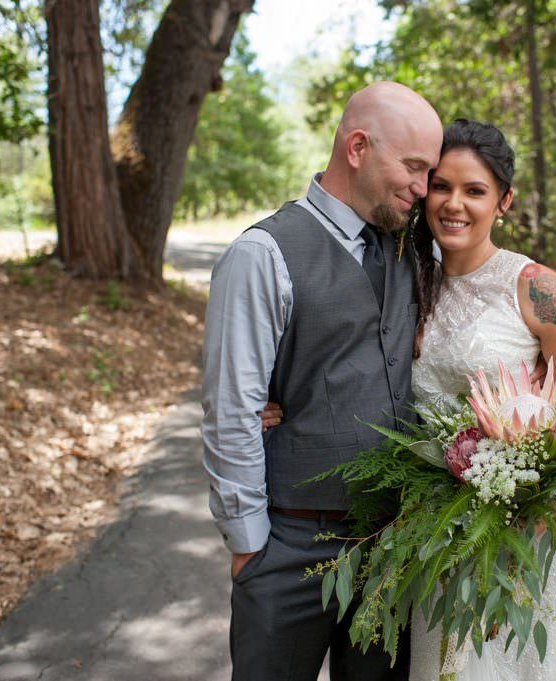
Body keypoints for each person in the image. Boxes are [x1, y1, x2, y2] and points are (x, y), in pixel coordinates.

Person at [263, 119, 556, 680]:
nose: (453, 204)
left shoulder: (539, 289)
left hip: (530, 536)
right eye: (441, 186)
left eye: (474, 191)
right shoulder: (406, 278)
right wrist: (277, 404)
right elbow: (349, 362)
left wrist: (517, 547)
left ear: (504, 201)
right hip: (440, 535)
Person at [201, 81, 443, 681]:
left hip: (390, 547)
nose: (423, 189)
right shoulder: (263, 253)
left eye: (429, 172)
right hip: (288, 546)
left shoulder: (413, 249)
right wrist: (249, 547)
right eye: (413, 168)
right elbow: (232, 407)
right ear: (358, 147)